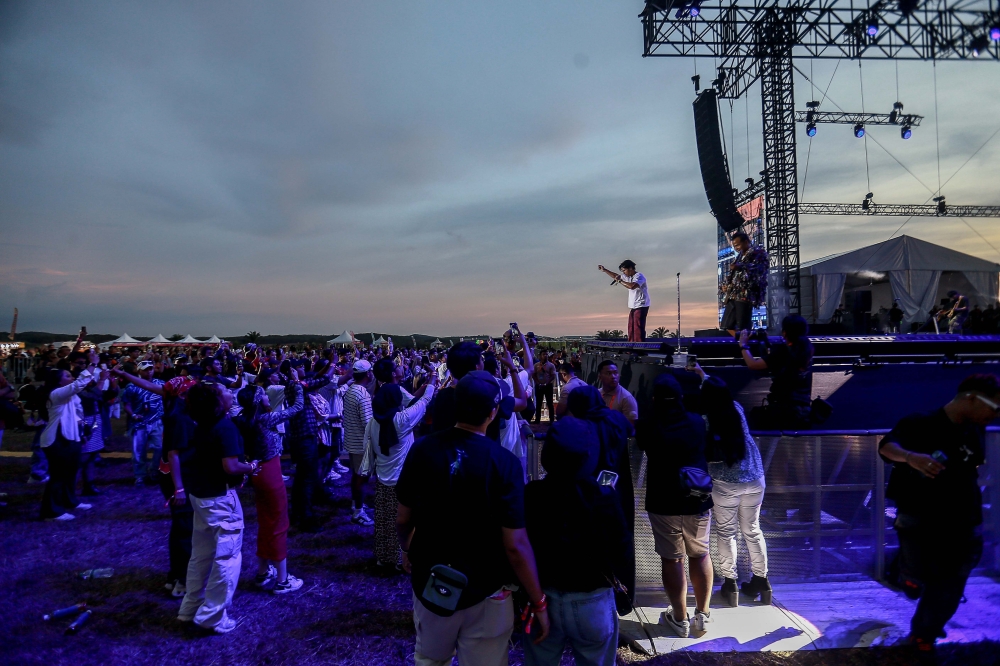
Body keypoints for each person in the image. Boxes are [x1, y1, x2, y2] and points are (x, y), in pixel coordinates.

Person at [395, 371, 550, 665]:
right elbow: (515, 545)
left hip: (432, 579)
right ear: (493, 412)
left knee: (430, 658)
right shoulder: (503, 463)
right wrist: (538, 600)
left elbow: (403, 519)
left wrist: (408, 548)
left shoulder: (422, 449)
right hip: (487, 588)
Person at [878, 374, 998, 651]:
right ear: (971, 397)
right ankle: (906, 574)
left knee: (950, 583)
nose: (995, 415)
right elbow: (887, 447)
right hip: (919, 517)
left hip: (963, 520)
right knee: (921, 571)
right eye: (994, 407)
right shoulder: (920, 423)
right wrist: (911, 458)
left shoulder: (975, 429)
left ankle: (924, 636)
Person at [523, 417, 629, 666]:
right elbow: (621, 551)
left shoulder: (532, 495)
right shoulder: (604, 496)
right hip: (593, 603)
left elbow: (521, 548)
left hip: (543, 599)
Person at [635, 374, 713, 638]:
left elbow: (642, 442)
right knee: (700, 554)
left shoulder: (649, 426)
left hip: (664, 500)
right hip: (697, 498)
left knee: (672, 558)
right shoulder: (695, 423)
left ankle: (679, 619)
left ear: (655, 399)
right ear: (681, 397)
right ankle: (702, 616)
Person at [178, 382, 259, 633]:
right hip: (220, 500)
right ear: (216, 402)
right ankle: (211, 616)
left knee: (201, 555)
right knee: (227, 557)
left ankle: (190, 608)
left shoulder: (201, 424)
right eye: (223, 390)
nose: (229, 391)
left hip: (201, 496)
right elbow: (231, 467)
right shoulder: (225, 427)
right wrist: (251, 467)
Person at [699, 373, 769, 607]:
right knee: (752, 529)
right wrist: (703, 374)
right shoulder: (737, 408)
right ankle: (762, 580)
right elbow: (717, 390)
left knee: (727, 532)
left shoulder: (706, 419)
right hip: (755, 480)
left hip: (725, 483)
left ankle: (731, 583)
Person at [567, 385, 636, 611]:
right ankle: (624, 601)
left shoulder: (580, 426)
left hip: (587, 495)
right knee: (622, 540)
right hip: (620, 491)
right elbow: (630, 430)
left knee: (591, 544)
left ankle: (594, 600)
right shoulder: (615, 418)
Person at [235, 383, 305, 593]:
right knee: (279, 523)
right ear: (258, 400)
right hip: (270, 472)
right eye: (263, 394)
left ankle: (263, 572)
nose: (267, 396)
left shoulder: (242, 418)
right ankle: (283, 580)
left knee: (266, 521)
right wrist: (299, 387)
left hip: (258, 472)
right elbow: (297, 408)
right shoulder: (265, 419)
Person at [364, 375, 436, 569]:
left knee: (384, 520)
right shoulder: (402, 420)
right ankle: (402, 559)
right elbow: (424, 402)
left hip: (382, 478)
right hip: (403, 482)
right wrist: (431, 384)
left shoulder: (373, 422)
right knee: (405, 522)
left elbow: (368, 448)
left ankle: (384, 557)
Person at [38, 354, 100, 521]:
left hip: (71, 438)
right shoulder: (56, 394)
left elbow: (76, 412)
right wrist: (92, 364)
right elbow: (79, 384)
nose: (71, 377)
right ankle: (52, 511)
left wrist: (81, 433)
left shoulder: (69, 395)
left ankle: (70, 501)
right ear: (58, 380)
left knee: (71, 472)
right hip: (56, 440)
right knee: (58, 476)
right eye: (67, 375)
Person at [740, 314, 814, 430]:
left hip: (782, 411)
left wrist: (743, 345)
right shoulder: (807, 349)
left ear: (785, 332)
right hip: (803, 412)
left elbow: (753, 364)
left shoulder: (783, 352)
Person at [121, 360, 165, 487]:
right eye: (145, 369)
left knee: (160, 448)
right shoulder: (132, 386)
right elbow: (127, 404)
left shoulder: (160, 383)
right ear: (139, 371)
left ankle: (154, 471)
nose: (149, 371)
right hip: (139, 423)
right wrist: (133, 415)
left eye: (150, 369)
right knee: (139, 451)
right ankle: (140, 475)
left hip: (157, 421)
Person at [343, 359, 375, 526]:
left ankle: (356, 504)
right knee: (361, 478)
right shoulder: (362, 394)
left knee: (356, 476)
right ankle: (358, 511)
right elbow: (368, 423)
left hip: (352, 440)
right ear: (368, 374)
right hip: (361, 444)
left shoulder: (351, 389)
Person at [719, 231, 768, 338]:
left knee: (743, 326)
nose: (736, 248)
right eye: (734, 246)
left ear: (746, 242)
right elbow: (734, 276)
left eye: (737, 245)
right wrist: (725, 285)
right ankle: (744, 342)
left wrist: (740, 267)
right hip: (733, 295)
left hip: (745, 295)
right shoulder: (740, 256)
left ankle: (752, 341)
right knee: (727, 325)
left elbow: (758, 270)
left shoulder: (758, 253)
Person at [598, 260, 650, 342]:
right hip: (634, 306)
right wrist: (605, 270)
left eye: (624, 270)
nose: (624, 273)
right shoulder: (628, 277)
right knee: (631, 328)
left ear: (630, 268)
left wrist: (620, 281)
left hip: (641, 305)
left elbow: (632, 286)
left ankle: (639, 347)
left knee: (637, 328)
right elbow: (616, 276)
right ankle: (631, 346)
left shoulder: (639, 276)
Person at [597, 360, 638, 425]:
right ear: (600, 377)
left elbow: (630, 428)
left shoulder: (626, 398)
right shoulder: (597, 394)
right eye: (608, 373)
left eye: (615, 373)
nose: (613, 376)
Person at [532, 350, 557, 424]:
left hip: (548, 386)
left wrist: (546, 383)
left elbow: (553, 376)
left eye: (546, 354)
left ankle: (551, 420)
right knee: (538, 403)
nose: (545, 355)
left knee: (550, 403)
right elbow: (533, 375)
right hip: (538, 386)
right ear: (540, 355)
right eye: (543, 354)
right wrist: (538, 383)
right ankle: (537, 420)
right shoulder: (536, 365)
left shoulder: (551, 365)